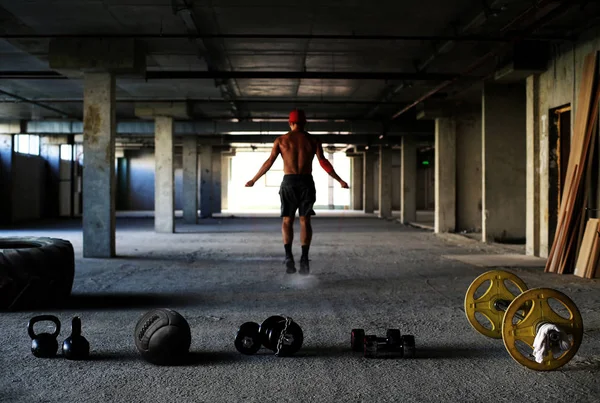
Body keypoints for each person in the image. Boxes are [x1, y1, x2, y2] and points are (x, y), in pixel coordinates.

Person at [245, 109, 349, 275]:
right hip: (306, 182)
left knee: (287, 220)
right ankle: (304, 259)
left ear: (290, 123)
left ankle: (288, 256)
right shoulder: (313, 140)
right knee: (304, 220)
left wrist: (253, 179)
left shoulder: (281, 140)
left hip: (289, 182)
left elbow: (269, 162)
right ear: (305, 123)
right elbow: (323, 162)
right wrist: (340, 180)